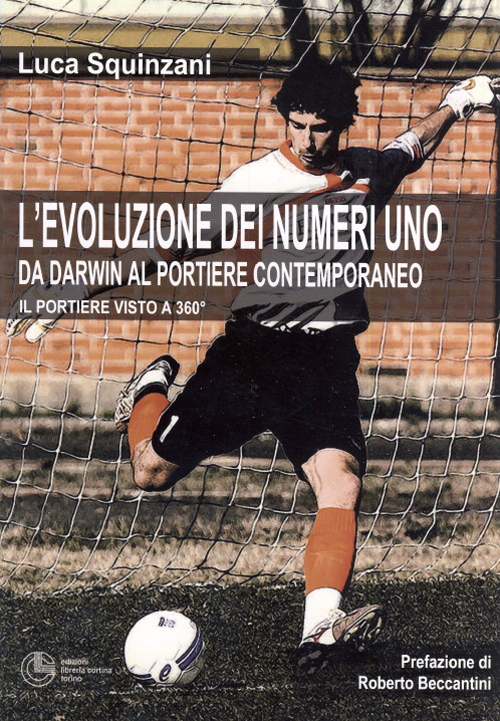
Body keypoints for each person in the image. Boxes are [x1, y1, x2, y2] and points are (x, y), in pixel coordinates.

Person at [7, 59, 499, 676]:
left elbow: (413, 144)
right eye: (297, 126)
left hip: (325, 363)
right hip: (254, 356)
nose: (307, 140)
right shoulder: (255, 183)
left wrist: (461, 101)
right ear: (285, 120)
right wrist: (70, 289)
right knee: (150, 472)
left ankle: (320, 630)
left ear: (343, 124)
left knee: (341, 481)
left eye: (321, 128)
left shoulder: (369, 171)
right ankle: (151, 389)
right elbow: (161, 249)